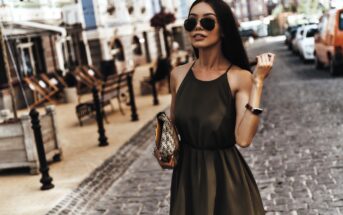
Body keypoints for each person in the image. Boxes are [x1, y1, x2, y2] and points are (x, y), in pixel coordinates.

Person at [155, 0, 275, 214]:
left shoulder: (240, 77)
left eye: (208, 22)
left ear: (224, 30)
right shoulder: (178, 75)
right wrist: (164, 149)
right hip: (187, 181)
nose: (198, 26)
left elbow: (244, 139)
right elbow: (173, 130)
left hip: (226, 182)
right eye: (191, 22)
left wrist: (258, 84)